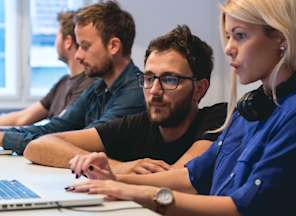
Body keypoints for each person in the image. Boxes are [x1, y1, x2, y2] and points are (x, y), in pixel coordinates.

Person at [67, 0, 296, 215]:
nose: (228, 49)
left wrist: (141, 193)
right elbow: (192, 178)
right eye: (228, 36)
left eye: (240, 36)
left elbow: (244, 208)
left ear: (281, 38)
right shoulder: (254, 106)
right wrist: (114, 179)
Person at [23, 25, 227, 174]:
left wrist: (111, 176)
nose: (154, 90)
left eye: (169, 79)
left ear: (199, 89)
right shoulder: (138, 125)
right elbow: (38, 146)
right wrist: (118, 166)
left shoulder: (218, 120)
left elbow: (177, 177)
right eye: (148, 78)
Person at [0, 1, 145, 155]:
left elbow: (71, 142)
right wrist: (3, 135)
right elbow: (55, 128)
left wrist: (5, 138)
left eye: (85, 46)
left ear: (114, 46)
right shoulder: (99, 87)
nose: (78, 55)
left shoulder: (135, 92)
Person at [0, 11, 94, 126]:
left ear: (68, 42)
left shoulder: (89, 83)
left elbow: (58, 127)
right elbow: (23, 117)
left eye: (57, 35)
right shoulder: (63, 82)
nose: (55, 42)